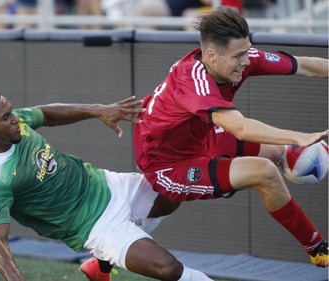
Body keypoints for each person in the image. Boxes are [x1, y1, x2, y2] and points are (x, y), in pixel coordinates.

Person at [133, 4, 328, 266]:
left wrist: (287, 145)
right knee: (264, 173)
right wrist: (297, 138)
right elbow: (241, 128)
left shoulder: (239, 56)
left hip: (201, 134)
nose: (247, 61)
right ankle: (318, 249)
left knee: (275, 151)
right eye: (239, 56)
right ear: (212, 55)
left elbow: (303, 66)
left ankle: (110, 254)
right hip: (167, 166)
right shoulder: (193, 82)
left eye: (247, 51)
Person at [0, 89, 214, 281]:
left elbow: (47, 114)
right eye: (6, 117)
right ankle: (108, 253)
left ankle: (103, 263)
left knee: (174, 190)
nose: (15, 119)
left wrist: (98, 110)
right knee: (168, 269)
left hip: (105, 183)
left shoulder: (16, 124)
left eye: (12, 111)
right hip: (94, 225)